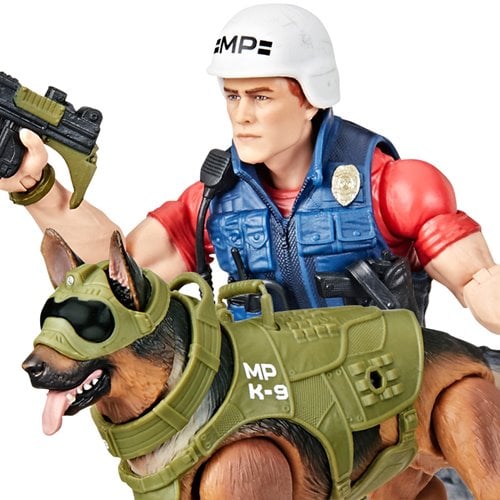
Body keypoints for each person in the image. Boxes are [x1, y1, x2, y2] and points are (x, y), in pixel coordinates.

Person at [2, 4, 499, 336]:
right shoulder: (216, 199)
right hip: (273, 402)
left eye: (261, 97)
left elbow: (477, 281)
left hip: (380, 393)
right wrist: (38, 187)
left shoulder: (395, 187)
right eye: (232, 95)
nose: (241, 115)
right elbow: (121, 271)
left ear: (310, 98)